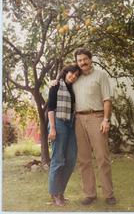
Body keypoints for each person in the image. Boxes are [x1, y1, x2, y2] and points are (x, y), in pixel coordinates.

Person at [72, 48, 116, 205]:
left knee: (102, 157)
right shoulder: (74, 78)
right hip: (78, 120)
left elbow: (107, 99)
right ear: (76, 62)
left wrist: (106, 119)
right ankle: (90, 194)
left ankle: (109, 194)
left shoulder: (101, 75)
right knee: (84, 160)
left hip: (96, 117)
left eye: (85, 59)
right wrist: (53, 82)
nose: (82, 62)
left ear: (90, 59)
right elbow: (61, 85)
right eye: (79, 60)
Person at [47, 64, 81, 206]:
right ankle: (55, 194)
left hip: (70, 124)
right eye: (71, 73)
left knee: (71, 159)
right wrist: (53, 128)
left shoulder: (73, 88)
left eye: (76, 75)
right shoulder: (55, 85)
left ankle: (60, 191)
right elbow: (50, 108)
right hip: (58, 123)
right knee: (58, 160)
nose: (73, 76)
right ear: (65, 72)